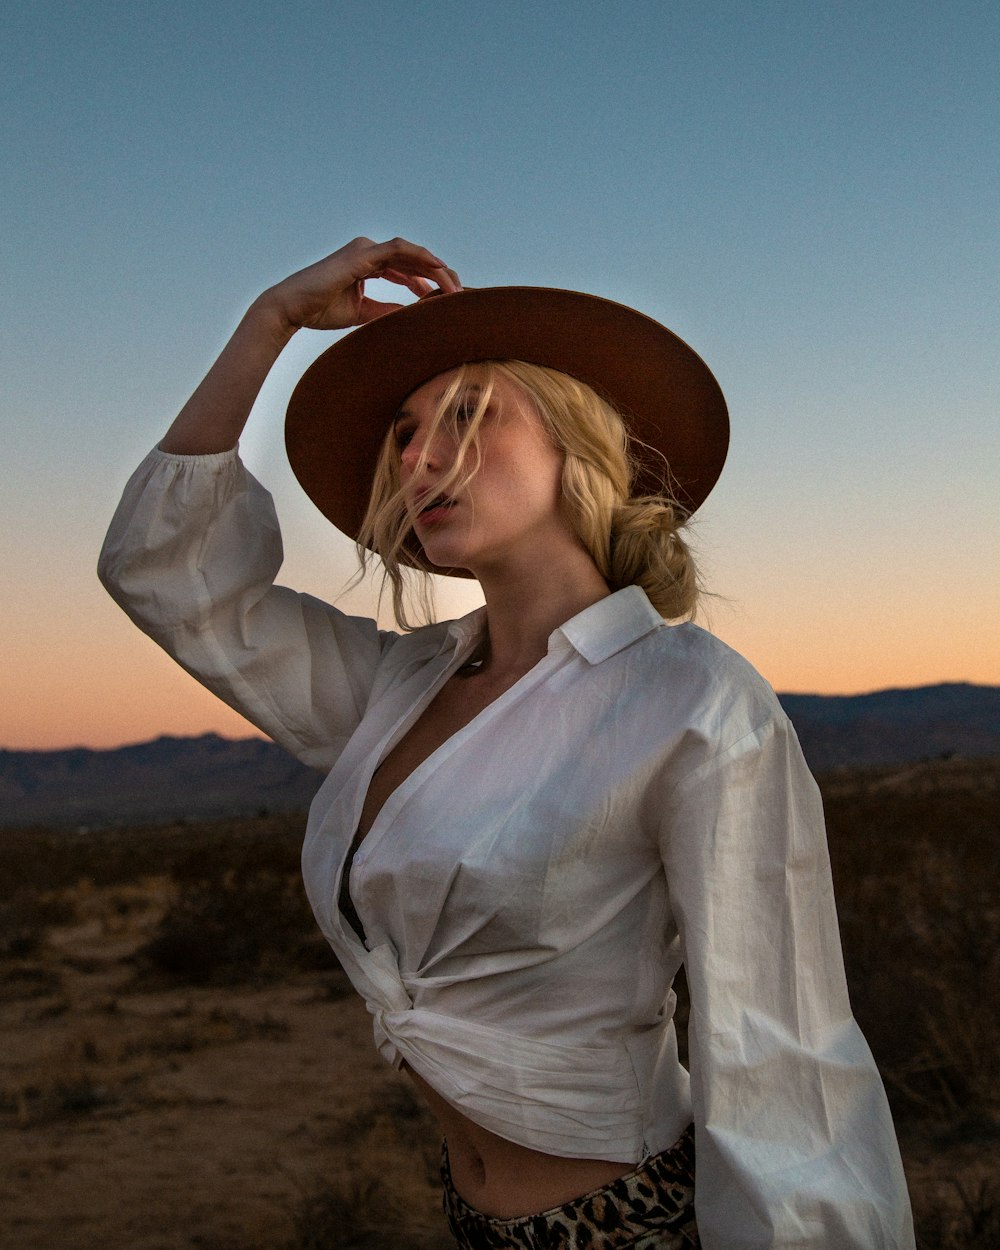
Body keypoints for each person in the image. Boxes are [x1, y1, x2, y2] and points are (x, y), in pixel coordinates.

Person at [99, 236, 915, 1249]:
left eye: (470, 417)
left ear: (578, 442)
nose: (418, 457)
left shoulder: (691, 699)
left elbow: (779, 1053)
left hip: (628, 1226)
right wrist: (266, 320)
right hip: (471, 1218)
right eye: (403, 433)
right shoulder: (399, 685)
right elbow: (170, 579)